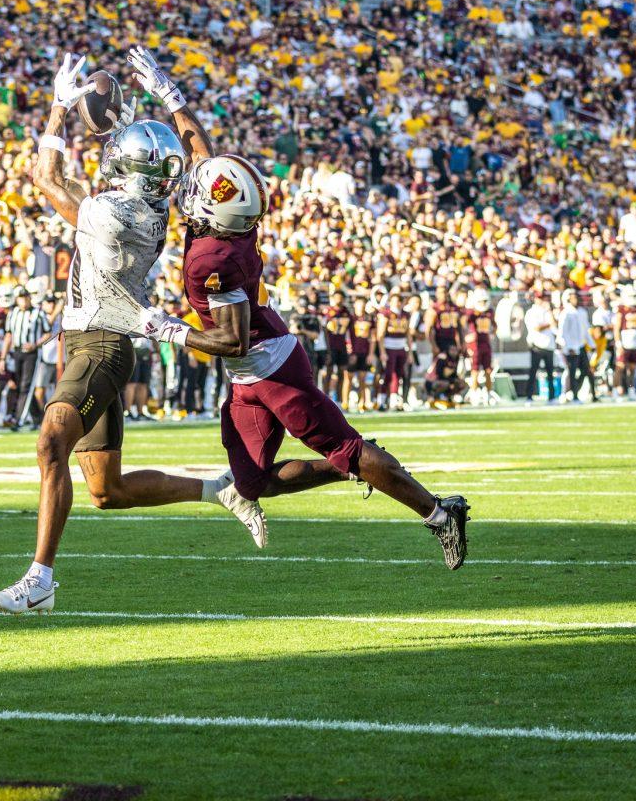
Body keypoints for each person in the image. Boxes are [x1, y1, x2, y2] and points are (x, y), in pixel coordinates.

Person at [124, 45, 469, 568]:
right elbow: (204, 154)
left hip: (267, 365)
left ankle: (439, 512)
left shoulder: (212, 257)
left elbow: (231, 340)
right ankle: (349, 465)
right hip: (250, 373)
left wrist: (163, 328)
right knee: (251, 482)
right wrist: (171, 96)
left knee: (348, 449)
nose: (187, 188)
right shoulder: (225, 228)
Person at [0, 54, 255, 615]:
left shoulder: (111, 212)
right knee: (107, 492)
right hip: (101, 341)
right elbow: (204, 160)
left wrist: (59, 107)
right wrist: (170, 96)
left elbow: (47, 178)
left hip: (99, 343)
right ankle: (217, 488)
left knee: (49, 442)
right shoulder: (166, 205)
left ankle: (39, 581)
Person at [1, 288, 52, 428]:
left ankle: (18, 419)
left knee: (26, 386)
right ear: (17, 299)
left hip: (31, 353)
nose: (23, 301)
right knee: (19, 386)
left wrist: (35, 344)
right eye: (20, 298)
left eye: (25, 297)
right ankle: (38, 419)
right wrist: (2, 358)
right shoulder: (13, 313)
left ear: (29, 298)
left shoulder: (38, 313)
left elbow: (48, 333)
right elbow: (8, 336)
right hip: (16, 352)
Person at [557, 289, 592, 403]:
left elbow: (586, 330)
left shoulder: (581, 312)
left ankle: (576, 390)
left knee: (586, 370)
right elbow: (562, 332)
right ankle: (573, 394)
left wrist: (591, 344)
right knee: (571, 372)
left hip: (581, 345)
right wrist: (566, 347)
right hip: (571, 347)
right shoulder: (565, 313)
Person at [613, 286, 636, 400]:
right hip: (625, 340)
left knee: (632, 369)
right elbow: (617, 327)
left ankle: (631, 390)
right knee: (620, 367)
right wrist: (618, 343)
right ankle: (615, 390)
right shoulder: (621, 309)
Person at [463, 289, 496, 405]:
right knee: (475, 370)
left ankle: (489, 392)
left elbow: (494, 325)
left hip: (486, 343)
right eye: (480, 301)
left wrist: (493, 333)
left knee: (488, 370)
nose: (482, 304)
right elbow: (463, 321)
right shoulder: (472, 313)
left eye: (484, 301)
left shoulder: (490, 312)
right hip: (475, 345)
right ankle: (474, 392)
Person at [523, 290, 557, 402]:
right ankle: (529, 395)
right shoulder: (531, 312)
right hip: (537, 346)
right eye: (540, 298)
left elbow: (555, 326)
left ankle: (551, 396)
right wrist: (549, 324)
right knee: (533, 371)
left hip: (549, 345)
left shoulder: (547, 311)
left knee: (550, 373)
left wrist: (550, 315)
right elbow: (537, 328)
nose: (542, 300)